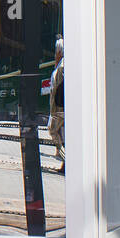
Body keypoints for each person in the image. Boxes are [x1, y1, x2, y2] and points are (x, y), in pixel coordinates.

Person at [48, 37, 65, 174]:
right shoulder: (60, 65)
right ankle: (66, 162)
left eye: (56, 51)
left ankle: (68, 160)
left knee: (53, 130)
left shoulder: (63, 67)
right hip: (57, 107)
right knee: (59, 133)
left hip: (60, 109)